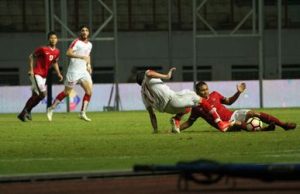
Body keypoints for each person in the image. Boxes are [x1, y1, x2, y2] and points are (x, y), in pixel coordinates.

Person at [136, 68, 231, 133]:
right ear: (144, 78)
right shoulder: (148, 78)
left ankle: (176, 119)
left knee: (188, 107)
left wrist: (155, 130)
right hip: (173, 100)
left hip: (167, 110)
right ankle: (220, 123)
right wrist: (166, 76)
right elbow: (148, 73)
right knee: (199, 99)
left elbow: (152, 115)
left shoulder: (143, 94)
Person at [179, 81, 297, 132]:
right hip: (224, 125)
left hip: (232, 114)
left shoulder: (215, 94)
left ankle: (283, 125)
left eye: (206, 89)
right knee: (238, 124)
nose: (206, 92)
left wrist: (238, 92)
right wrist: (177, 128)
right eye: (202, 90)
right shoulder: (197, 107)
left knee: (254, 113)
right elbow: (190, 122)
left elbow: (229, 102)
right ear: (198, 92)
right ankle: (264, 129)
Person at [47, 25, 93, 122]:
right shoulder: (76, 42)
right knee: (67, 93)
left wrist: (89, 65)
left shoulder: (89, 45)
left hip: (83, 71)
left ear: (88, 33)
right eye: (83, 30)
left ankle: (82, 113)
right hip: (74, 71)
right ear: (80, 32)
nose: (84, 32)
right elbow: (68, 53)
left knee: (89, 92)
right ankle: (51, 108)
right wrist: (81, 57)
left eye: (86, 30)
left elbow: (88, 56)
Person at [17, 31, 63, 122]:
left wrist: (58, 73)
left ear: (57, 40)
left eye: (55, 38)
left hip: (44, 76)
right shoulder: (42, 49)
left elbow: (54, 62)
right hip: (37, 73)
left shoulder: (57, 52)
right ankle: (25, 112)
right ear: (48, 39)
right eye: (51, 38)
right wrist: (31, 69)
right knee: (43, 94)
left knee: (37, 95)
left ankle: (25, 112)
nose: (53, 39)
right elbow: (31, 56)